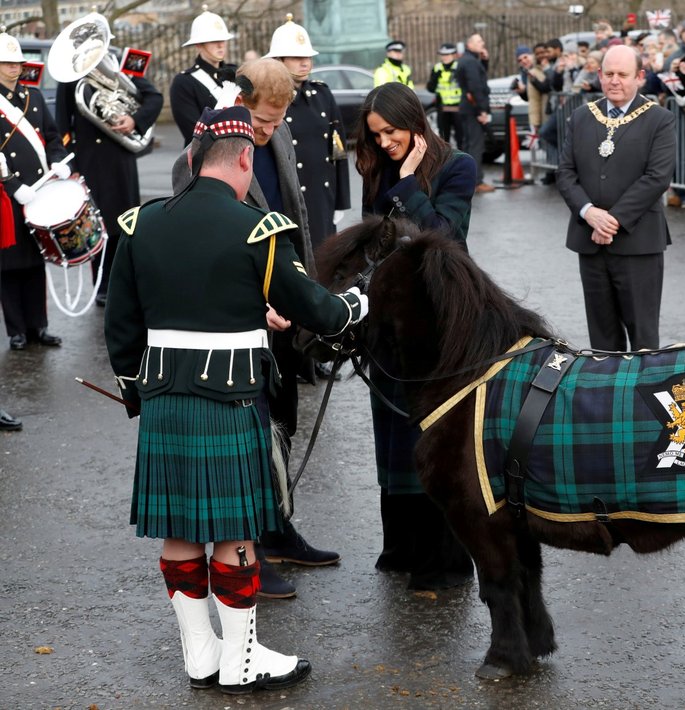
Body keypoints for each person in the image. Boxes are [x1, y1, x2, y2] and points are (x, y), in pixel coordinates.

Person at [104, 104, 367, 694]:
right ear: (245, 157)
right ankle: (240, 659)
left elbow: (121, 328)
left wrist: (137, 394)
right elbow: (319, 312)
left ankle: (201, 653)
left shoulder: (140, 224)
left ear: (194, 159)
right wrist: (358, 303)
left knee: (178, 527)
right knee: (233, 529)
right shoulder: (258, 229)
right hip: (230, 399)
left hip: (165, 398)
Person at [172, 59, 340, 599]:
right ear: (240, 100)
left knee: (284, 421)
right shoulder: (197, 157)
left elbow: (297, 217)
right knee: (252, 436)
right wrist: (254, 305)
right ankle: (253, 550)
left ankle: (279, 527)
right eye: (263, 121)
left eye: (278, 121)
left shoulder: (281, 133)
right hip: (242, 322)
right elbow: (199, 252)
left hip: (287, 308)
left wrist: (307, 290)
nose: (270, 132)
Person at [353, 81, 477, 590]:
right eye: (375, 134)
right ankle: (402, 546)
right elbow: (373, 238)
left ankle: (444, 559)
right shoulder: (377, 166)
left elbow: (448, 238)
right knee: (391, 429)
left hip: (438, 319)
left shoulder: (458, 166)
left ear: (414, 121)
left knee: (431, 432)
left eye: (390, 131)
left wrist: (407, 183)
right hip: (390, 313)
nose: (383, 142)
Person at [555, 45, 677, 351]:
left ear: (639, 77)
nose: (614, 81)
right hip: (590, 241)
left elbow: (657, 177)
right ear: (598, 75)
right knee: (602, 337)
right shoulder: (582, 117)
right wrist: (588, 212)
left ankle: (642, 395)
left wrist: (612, 219)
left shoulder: (659, 120)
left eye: (623, 74)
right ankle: (606, 397)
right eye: (608, 74)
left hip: (638, 243)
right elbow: (566, 173)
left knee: (643, 338)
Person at [56, 15, 163, 308]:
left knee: (126, 222)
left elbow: (154, 97)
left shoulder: (123, 65)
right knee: (99, 226)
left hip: (120, 157)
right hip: (90, 160)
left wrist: (134, 119)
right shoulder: (70, 77)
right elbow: (63, 125)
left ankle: (126, 281)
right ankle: (102, 285)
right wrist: (72, 167)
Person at [0, 30, 67, 350]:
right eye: (8, 63)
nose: (16, 67)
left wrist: (59, 161)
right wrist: (12, 186)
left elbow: (53, 138)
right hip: (7, 195)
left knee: (36, 260)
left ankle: (38, 326)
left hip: (39, 190)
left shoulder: (34, 97)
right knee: (9, 263)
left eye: (18, 62)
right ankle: (17, 330)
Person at [266, 15, 350, 253]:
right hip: (287, 199)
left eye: (307, 57)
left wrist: (341, 200)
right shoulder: (270, 98)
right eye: (296, 57)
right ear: (279, 60)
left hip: (322, 197)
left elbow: (338, 150)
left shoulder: (322, 94)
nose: (305, 63)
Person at [169, 6, 237, 146]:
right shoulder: (184, 82)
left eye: (222, 39)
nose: (220, 45)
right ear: (199, 45)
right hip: (206, 158)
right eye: (213, 40)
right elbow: (193, 132)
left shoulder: (236, 73)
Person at [455, 32, 494, 193]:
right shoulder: (470, 62)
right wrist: (482, 110)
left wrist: (484, 61)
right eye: (479, 41)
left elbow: (479, 77)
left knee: (469, 144)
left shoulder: (468, 60)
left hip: (467, 108)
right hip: (473, 109)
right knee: (476, 146)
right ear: (469, 45)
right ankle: (476, 182)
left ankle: (466, 179)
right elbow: (475, 87)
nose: (482, 43)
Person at [425, 42, 462, 143]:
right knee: (444, 136)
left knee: (461, 136)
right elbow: (430, 88)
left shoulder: (459, 67)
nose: (444, 57)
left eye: (447, 55)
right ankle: (446, 158)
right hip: (443, 107)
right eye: (443, 55)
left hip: (458, 107)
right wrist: (434, 79)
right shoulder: (437, 68)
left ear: (453, 55)